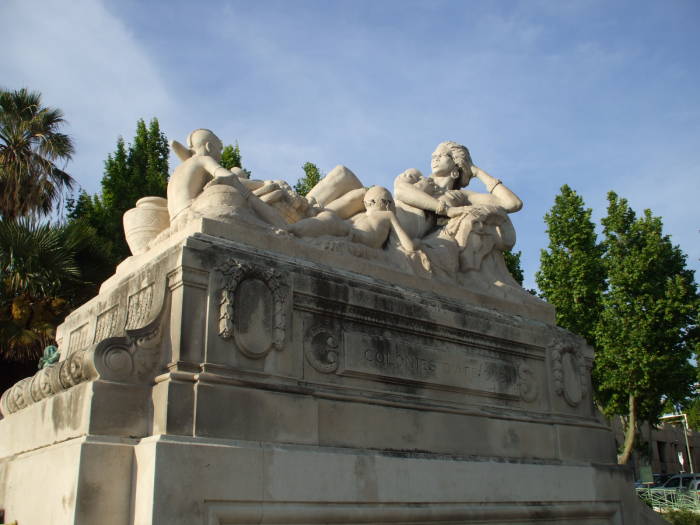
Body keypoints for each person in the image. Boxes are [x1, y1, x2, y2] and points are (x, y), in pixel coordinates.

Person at [167, 129, 285, 227]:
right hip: (191, 211)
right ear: (209, 147)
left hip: (174, 220)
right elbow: (229, 177)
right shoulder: (203, 159)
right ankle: (281, 227)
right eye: (219, 149)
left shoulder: (177, 171)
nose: (220, 155)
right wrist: (263, 184)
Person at [288, 186, 417, 252]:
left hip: (345, 229)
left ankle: (287, 229)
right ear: (388, 204)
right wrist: (418, 243)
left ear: (367, 203)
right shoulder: (388, 215)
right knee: (325, 223)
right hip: (347, 231)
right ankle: (288, 229)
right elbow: (409, 246)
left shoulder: (362, 215)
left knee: (322, 223)